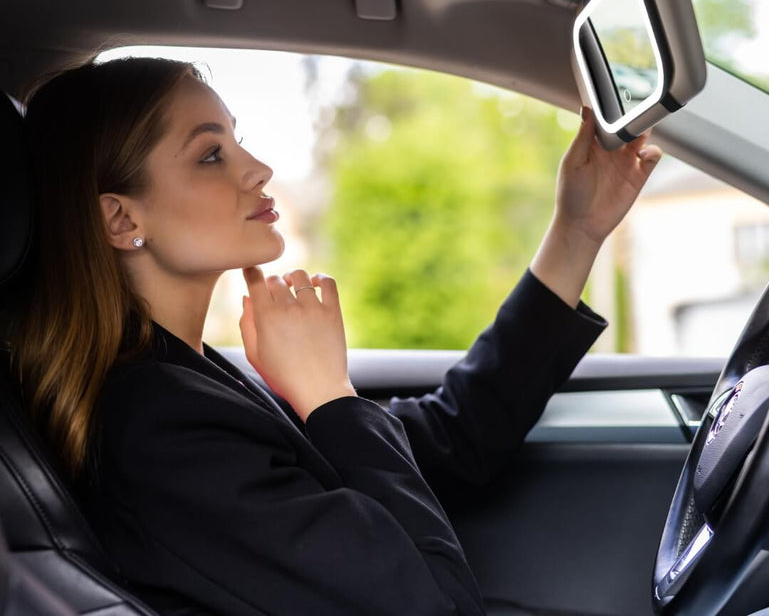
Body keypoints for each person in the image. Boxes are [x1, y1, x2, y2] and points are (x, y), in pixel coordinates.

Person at [10, 57, 661, 616]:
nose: (259, 168)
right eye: (211, 154)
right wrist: (326, 392)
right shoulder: (156, 429)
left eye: (238, 141)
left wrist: (575, 231)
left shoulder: (184, 375)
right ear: (122, 218)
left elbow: (445, 442)